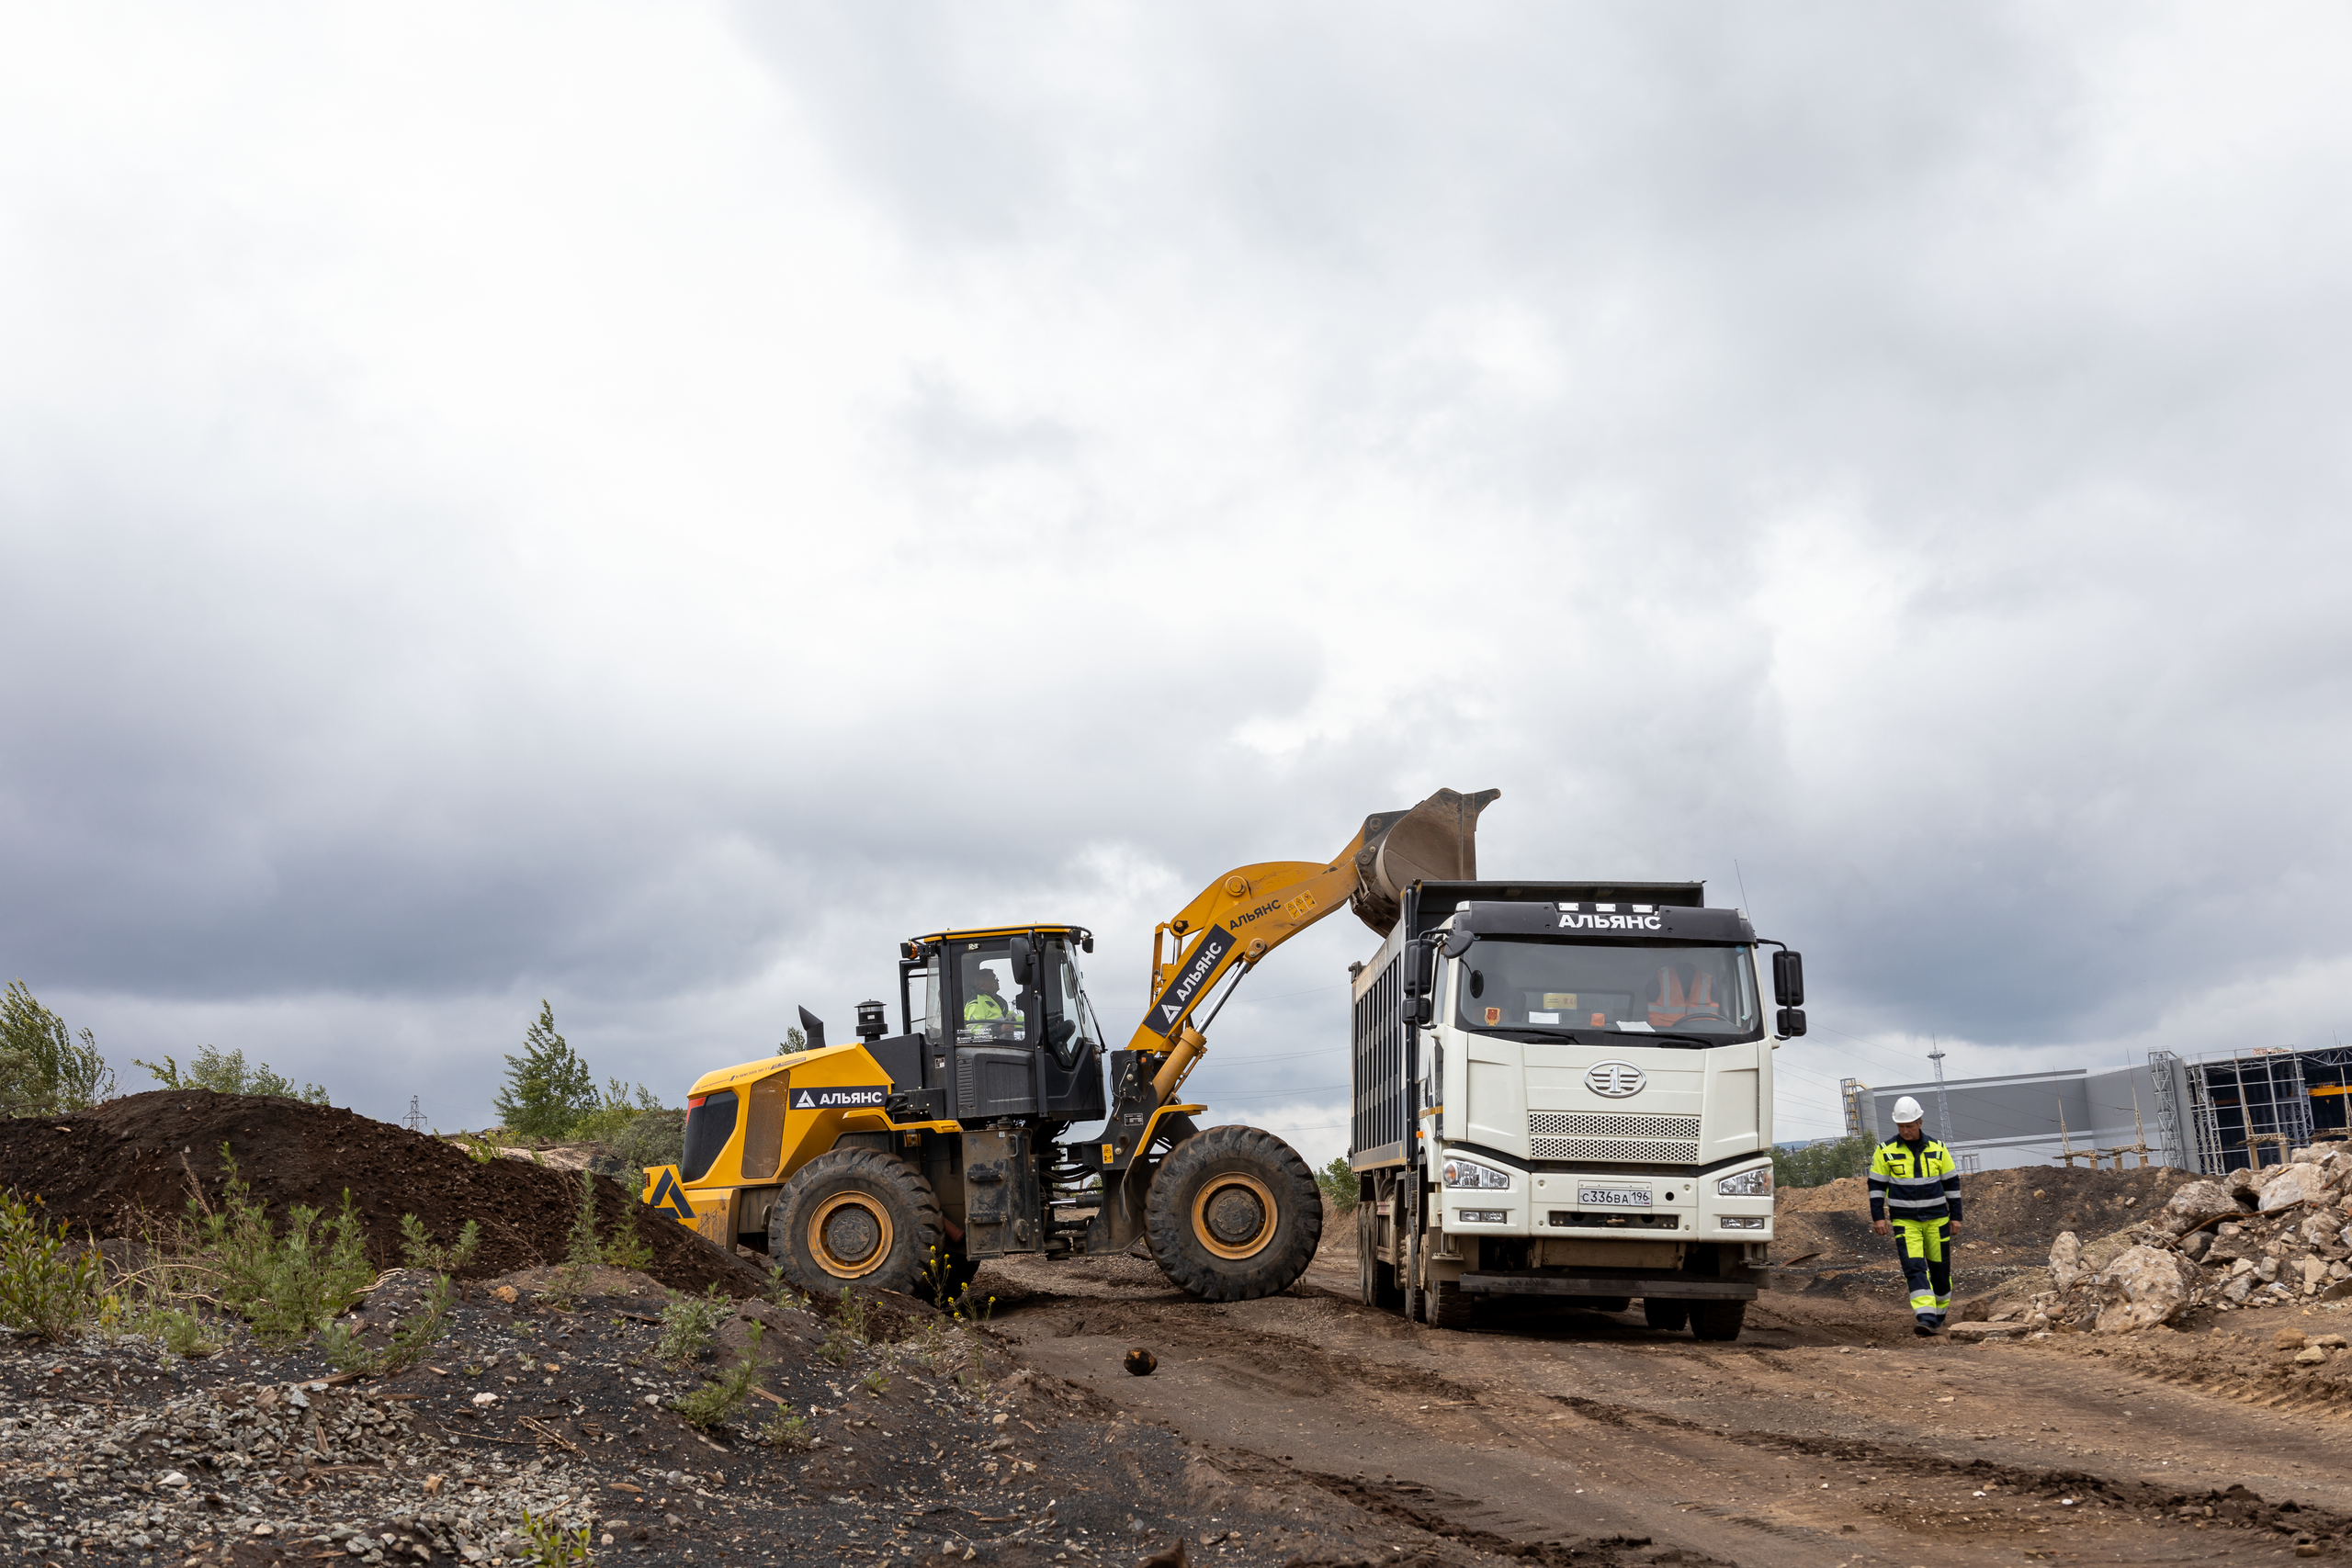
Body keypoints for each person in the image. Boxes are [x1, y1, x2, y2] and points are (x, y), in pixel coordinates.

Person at [1869, 1096, 1963, 1336]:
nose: (1905, 1131)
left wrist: (1956, 1217)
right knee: (1914, 1267)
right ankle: (1925, 1315)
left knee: (1940, 1271)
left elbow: (1952, 1185)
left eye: (1909, 1126)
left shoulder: (1938, 1149)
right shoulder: (1885, 1152)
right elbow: (1876, 1187)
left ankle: (1939, 1314)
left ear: (1920, 1122)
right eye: (1901, 1127)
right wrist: (1878, 1217)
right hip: (1904, 1221)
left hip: (1938, 1220)